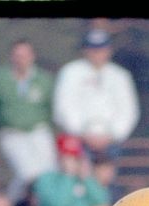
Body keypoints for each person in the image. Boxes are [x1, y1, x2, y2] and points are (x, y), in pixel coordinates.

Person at [0, 38, 56, 203]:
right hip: (12, 132)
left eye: (25, 55)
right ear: (11, 57)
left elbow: (52, 109)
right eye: (17, 55)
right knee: (27, 173)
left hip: (38, 130)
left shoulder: (43, 79)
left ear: (32, 56)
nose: (21, 59)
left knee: (48, 174)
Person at [52, 27, 139, 165]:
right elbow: (63, 106)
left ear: (109, 50)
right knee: (78, 177)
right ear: (85, 50)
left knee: (106, 179)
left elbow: (128, 110)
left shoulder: (120, 76)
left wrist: (113, 134)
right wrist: (82, 133)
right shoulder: (71, 72)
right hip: (78, 139)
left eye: (101, 49)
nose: (97, 53)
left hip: (110, 140)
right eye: (92, 49)